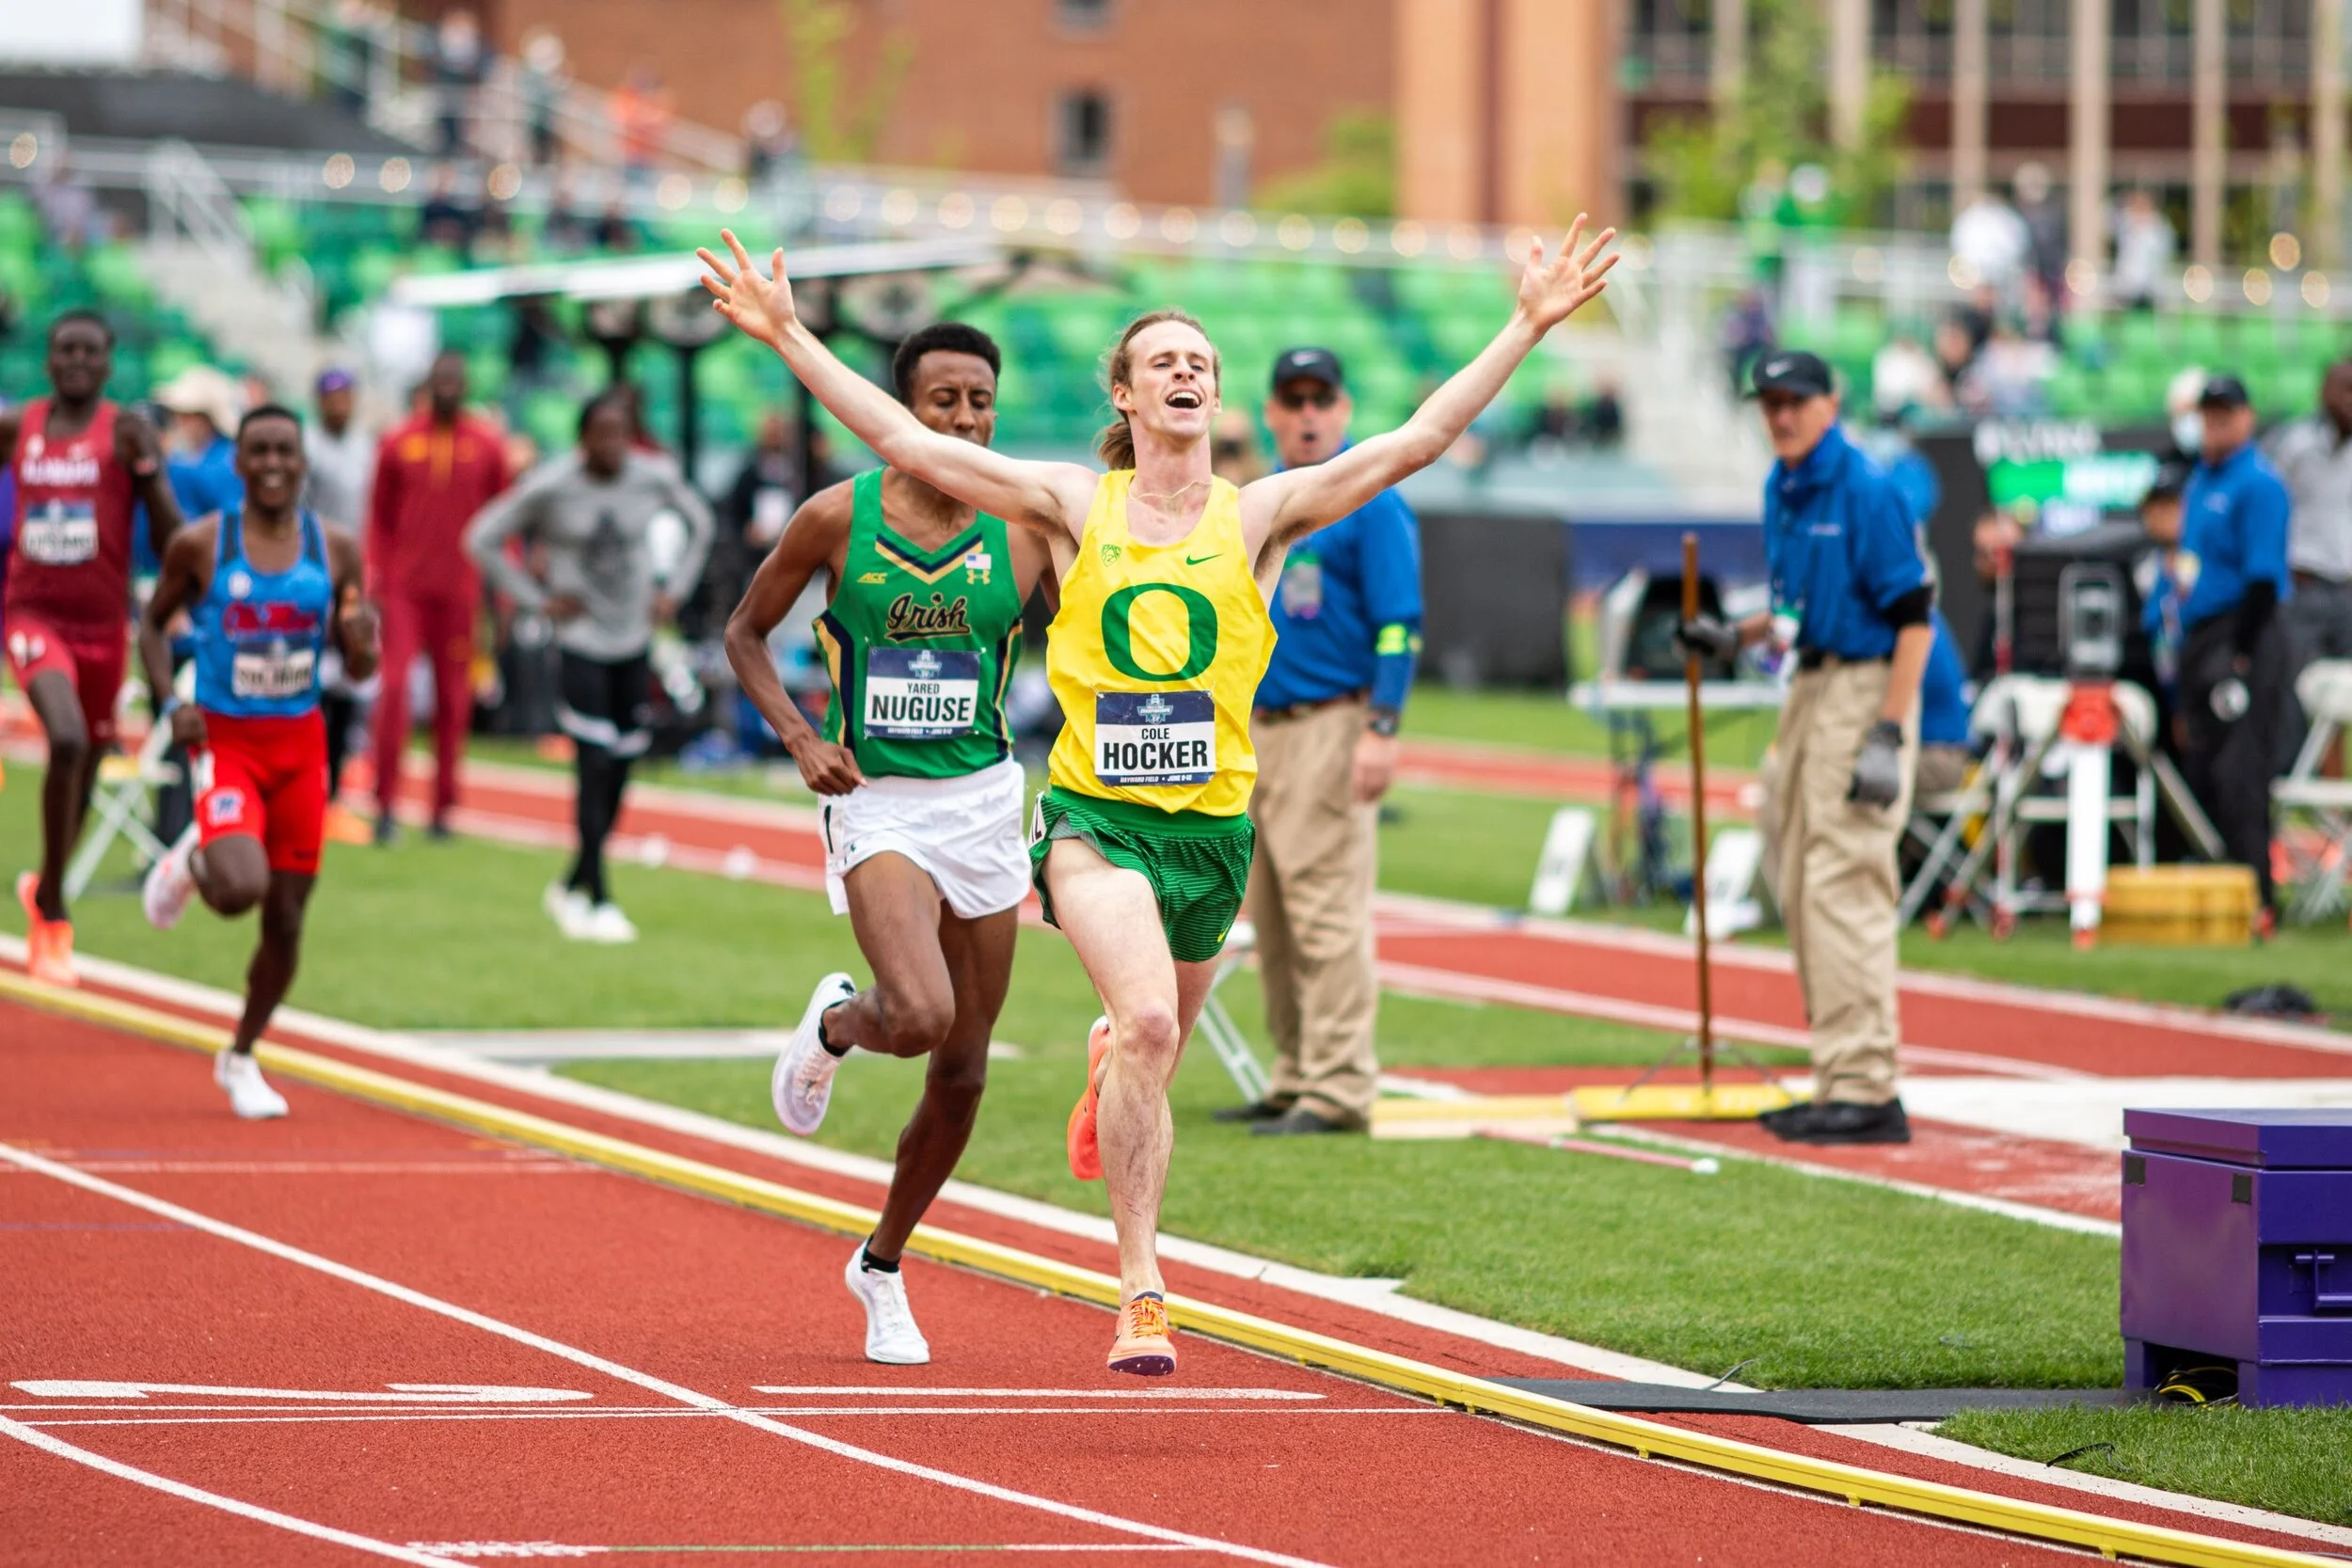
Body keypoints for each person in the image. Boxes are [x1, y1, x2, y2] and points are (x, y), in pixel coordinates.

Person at [699, 215, 1618, 1375]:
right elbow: (906, 442)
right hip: (1094, 822)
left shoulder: (1259, 515)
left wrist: (1526, 325)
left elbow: (1416, 440)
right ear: (1125, 396)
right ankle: (1141, 1290)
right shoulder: (1076, 507)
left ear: (1213, 396)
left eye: (1201, 362)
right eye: (1163, 362)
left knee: (1153, 1043)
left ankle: (1114, 1070)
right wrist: (788, 335)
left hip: (1211, 834)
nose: (1186, 372)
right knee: (1143, 1022)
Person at [731, 323, 1049, 1364]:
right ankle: (839, 1023)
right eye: (944, 399)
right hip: (880, 801)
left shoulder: (1026, 526)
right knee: (916, 1013)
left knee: (962, 1072)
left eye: (979, 401)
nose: (964, 419)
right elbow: (743, 632)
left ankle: (880, 1263)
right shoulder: (836, 518)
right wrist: (799, 735)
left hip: (986, 799)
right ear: (901, 408)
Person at [1678, 350, 1933, 1147]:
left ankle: (1867, 1084)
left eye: (1794, 401)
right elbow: (1792, 609)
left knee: (1842, 875)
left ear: (1831, 402)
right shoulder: (1781, 488)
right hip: (1809, 683)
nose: (1780, 415)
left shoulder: (1866, 488)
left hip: (1865, 686)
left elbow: (1915, 616)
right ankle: (1838, 1072)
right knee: (1792, 867)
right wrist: (1732, 634)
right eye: (1769, 402)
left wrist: (1889, 729)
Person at [136, 406, 377, 1117]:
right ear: (237, 464)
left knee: (288, 919)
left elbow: (362, 669)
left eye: (285, 451)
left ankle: (240, 1055)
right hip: (225, 739)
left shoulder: (335, 548)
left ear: (303, 464)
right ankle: (193, 863)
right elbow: (151, 626)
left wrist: (363, 642)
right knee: (241, 885)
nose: (273, 463)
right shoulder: (203, 544)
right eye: (259, 451)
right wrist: (165, 700)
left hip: (301, 745)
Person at [1215, 346, 1419, 1137]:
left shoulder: (1370, 501)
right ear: (1270, 411)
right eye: (1291, 399)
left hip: (1330, 721)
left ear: (1343, 410)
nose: (1305, 414)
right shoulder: (1257, 498)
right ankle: (1293, 1069)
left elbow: (1401, 622)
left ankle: (1336, 1085)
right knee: (1268, 910)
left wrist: (1383, 727)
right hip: (1252, 726)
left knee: (1326, 909)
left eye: (1319, 399)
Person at [466, 389, 712, 942]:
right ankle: (598, 895)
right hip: (579, 638)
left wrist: (674, 590)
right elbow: (481, 538)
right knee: (593, 760)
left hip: (634, 637)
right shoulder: (552, 485)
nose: (612, 445)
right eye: (601, 435)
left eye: (620, 433)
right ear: (582, 440)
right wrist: (535, 600)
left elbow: (701, 523)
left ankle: (574, 879)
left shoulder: (652, 476)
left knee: (623, 761)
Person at [4, 310, 183, 985]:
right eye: (64, 350)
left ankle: (46, 887)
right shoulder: (18, 426)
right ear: (47, 361)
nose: (76, 361)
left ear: (108, 363)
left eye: (89, 351)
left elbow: (170, 537)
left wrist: (147, 465)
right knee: (70, 740)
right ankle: (55, 907)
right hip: (32, 615)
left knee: (86, 761)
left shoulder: (125, 432)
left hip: (105, 628)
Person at [367, 350, 509, 844]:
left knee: (453, 700)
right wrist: (377, 581)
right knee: (396, 689)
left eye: (456, 379)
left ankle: (442, 811)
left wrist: (504, 593)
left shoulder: (487, 446)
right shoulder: (398, 442)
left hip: (460, 591)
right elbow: (378, 520)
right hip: (406, 592)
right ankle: (384, 804)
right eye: (440, 379)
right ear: (429, 384)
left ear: (465, 384)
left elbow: (504, 521)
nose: (448, 386)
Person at [2176, 374, 2294, 923]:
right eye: (2208, 414)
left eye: (2226, 413)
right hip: (2201, 635)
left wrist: (2242, 655)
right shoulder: (2200, 480)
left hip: (2243, 633)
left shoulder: (2259, 484)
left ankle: (2256, 901)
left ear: (2247, 418)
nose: (2216, 424)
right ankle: (2216, 898)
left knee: (2242, 771)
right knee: (2203, 767)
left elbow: (2264, 579)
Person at [2266, 359, 2352, 673]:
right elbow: (2269, 511)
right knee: (2296, 685)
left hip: (2347, 591)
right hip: (2304, 585)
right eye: (2346, 390)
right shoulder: (2295, 445)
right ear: (2323, 392)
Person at [157, 366, 245, 524]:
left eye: (188, 415)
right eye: (177, 414)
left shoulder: (226, 462)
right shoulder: (193, 456)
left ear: (207, 419)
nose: (179, 422)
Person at [1914, 610, 1971, 797]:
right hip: (1948, 756)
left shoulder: (1914, 626)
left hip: (1940, 759)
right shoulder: (1930, 619)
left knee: (1845, 772)